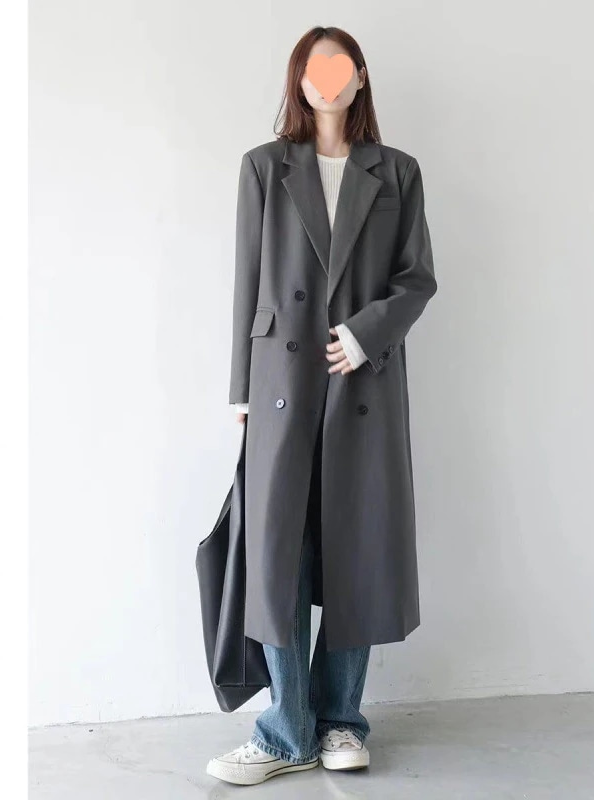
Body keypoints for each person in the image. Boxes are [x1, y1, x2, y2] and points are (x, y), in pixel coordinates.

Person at [207, 25, 437, 786]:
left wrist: (368, 335)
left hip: (363, 380)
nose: (327, 80)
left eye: (339, 68)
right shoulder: (264, 167)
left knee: (355, 548)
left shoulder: (396, 172)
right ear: (299, 82)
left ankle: (341, 721)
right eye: (313, 69)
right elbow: (247, 279)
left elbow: (416, 278)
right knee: (278, 555)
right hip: (281, 380)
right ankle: (286, 731)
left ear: (359, 76)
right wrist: (240, 389)